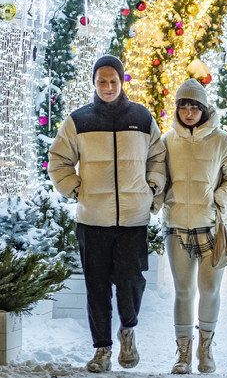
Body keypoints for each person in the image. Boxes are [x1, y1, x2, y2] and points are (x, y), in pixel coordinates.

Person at [48, 55, 166, 373]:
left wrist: (153, 187)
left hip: (133, 220)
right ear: (94, 83)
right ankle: (102, 350)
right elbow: (58, 159)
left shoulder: (142, 117)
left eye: (113, 80)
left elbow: (158, 157)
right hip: (92, 221)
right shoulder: (79, 120)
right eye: (102, 81)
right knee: (96, 288)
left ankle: (128, 329)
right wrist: (76, 189)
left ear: (122, 81)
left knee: (131, 282)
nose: (108, 86)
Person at [157, 79, 227, 374]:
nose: (189, 111)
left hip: (213, 227)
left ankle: (205, 350)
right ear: (177, 108)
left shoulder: (222, 140)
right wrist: (160, 201)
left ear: (204, 109)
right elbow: (159, 179)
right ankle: (183, 354)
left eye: (195, 106)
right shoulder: (167, 141)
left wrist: (218, 200)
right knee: (183, 292)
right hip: (178, 226)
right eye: (184, 105)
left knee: (209, 289)